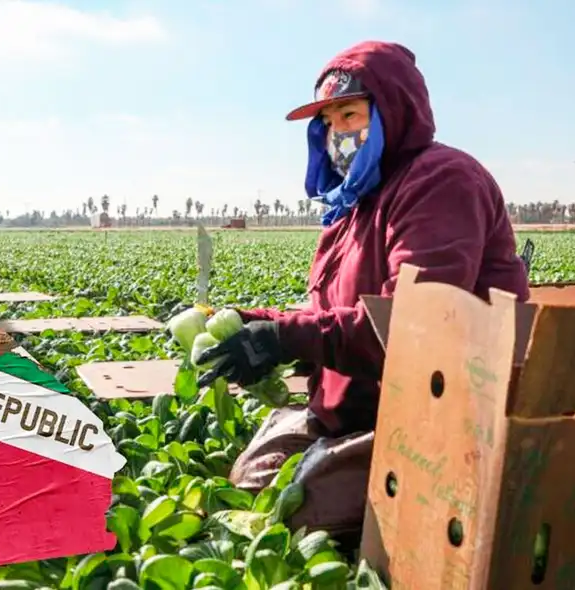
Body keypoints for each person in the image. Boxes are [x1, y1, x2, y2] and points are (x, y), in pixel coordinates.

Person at [194, 41, 531, 543]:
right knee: (250, 485)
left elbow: (417, 327)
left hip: (435, 418)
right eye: (330, 121)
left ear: (394, 111)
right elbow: (327, 314)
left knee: (296, 517)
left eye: (350, 114)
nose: (337, 134)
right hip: (354, 413)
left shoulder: (440, 182)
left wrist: (284, 339)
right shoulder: (356, 201)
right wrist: (252, 321)